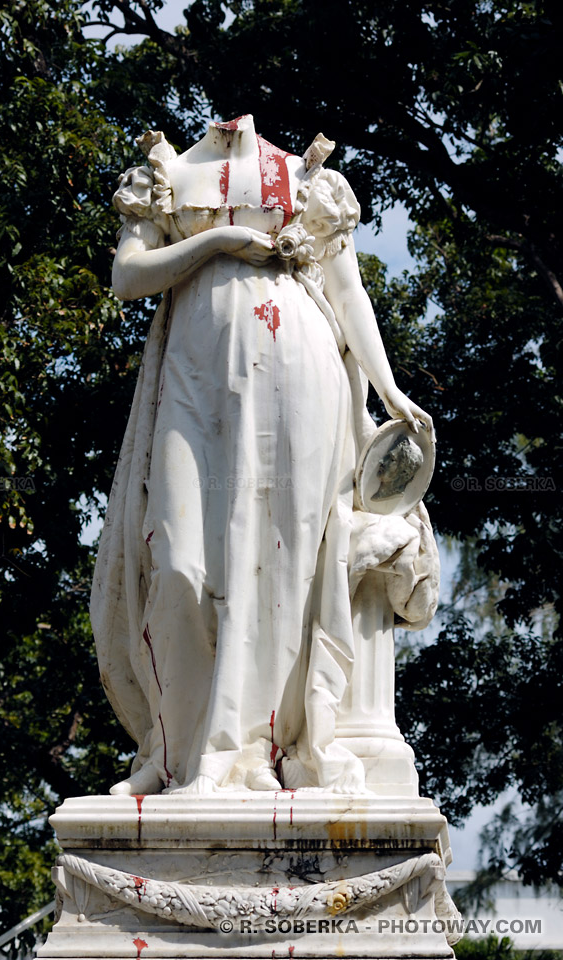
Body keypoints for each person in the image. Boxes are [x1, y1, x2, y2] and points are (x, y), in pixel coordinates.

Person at [91, 115, 432, 796]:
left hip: (297, 379)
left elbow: (347, 290)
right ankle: (180, 752)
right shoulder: (165, 174)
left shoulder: (307, 180)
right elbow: (127, 278)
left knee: (279, 567)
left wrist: (389, 386)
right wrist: (219, 241)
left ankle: (252, 754)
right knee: (177, 561)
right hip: (191, 382)